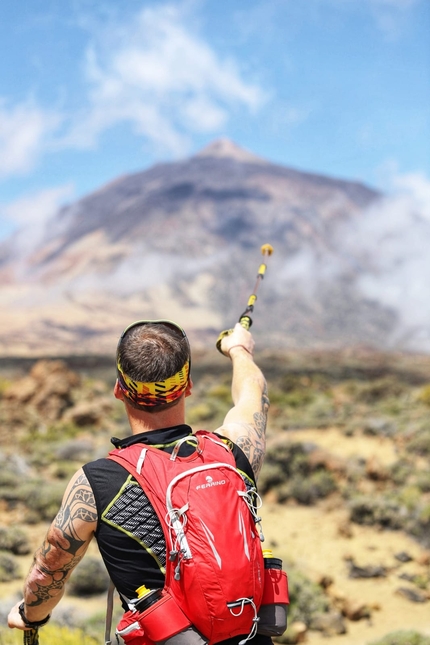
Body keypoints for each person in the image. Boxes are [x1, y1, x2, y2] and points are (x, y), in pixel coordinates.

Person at [8, 320, 271, 644]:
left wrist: (29, 614)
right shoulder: (234, 451)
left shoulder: (96, 483)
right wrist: (238, 348)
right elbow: (252, 391)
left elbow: (48, 572)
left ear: (120, 388)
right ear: (187, 386)